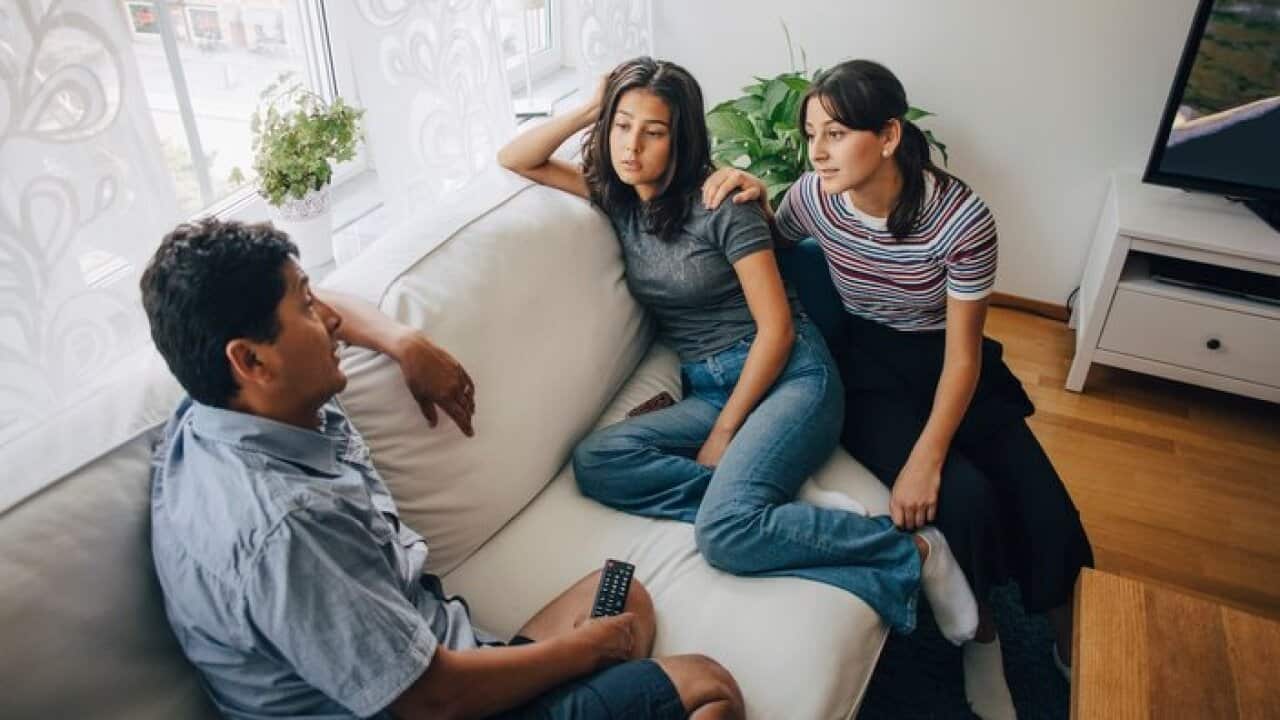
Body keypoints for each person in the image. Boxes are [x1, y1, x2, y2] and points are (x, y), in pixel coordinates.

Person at [141, 218, 745, 720]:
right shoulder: (287, 528)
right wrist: (583, 654)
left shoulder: (216, 411)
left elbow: (335, 312)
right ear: (251, 359)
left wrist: (403, 342)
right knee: (706, 687)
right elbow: (432, 700)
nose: (328, 320)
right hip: (433, 701)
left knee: (623, 597)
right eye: (304, 307)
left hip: (435, 658)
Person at [497, 57, 979, 647]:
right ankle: (777, 502)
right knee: (598, 461)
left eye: (653, 132)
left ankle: (917, 552)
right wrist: (597, 105)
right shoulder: (618, 197)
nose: (631, 148)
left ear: (681, 138)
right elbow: (515, 158)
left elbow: (776, 331)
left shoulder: (722, 204)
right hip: (708, 382)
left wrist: (725, 433)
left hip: (790, 377)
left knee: (724, 535)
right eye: (622, 127)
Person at [704, 59, 1094, 719]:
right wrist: (754, 195)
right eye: (810, 135)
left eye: (835, 133)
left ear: (887, 135)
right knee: (961, 500)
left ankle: (1068, 644)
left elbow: (963, 356)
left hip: (947, 359)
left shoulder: (960, 219)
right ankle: (983, 640)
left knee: (1041, 499)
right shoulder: (812, 197)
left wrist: (925, 455)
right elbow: (770, 250)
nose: (817, 152)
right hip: (866, 365)